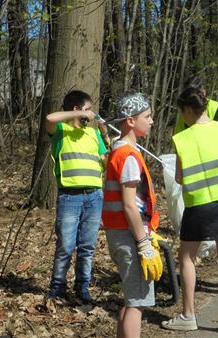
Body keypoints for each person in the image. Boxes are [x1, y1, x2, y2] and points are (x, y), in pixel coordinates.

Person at [161, 86, 218, 334]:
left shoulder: (183, 139)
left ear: (188, 110)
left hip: (198, 204)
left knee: (186, 257)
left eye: (182, 113)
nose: (182, 118)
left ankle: (188, 315)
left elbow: (178, 178)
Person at [102, 92, 163, 338]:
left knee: (130, 300)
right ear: (130, 120)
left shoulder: (122, 150)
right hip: (129, 236)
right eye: (146, 117)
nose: (151, 121)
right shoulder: (127, 155)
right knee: (137, 303)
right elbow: (129, 205)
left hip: (121, 234)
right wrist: (143, 243)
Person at [45, 90, 108, 303]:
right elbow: (49, 119)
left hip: (94, 197)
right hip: (69, 197)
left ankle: (82, 287)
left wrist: (106, 137)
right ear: (75, 109)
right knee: (65, 245)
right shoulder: (60, 130)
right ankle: (57, 287)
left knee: (87, 246)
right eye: (88, 109)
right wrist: (76, 114)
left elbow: (104, 161)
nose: (91, 114)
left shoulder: (93, 134)